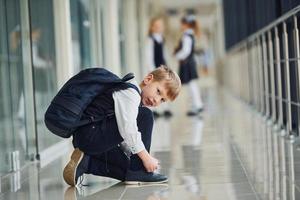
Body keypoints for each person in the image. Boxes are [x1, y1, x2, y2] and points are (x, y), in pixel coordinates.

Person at [63, 66, 181, 186]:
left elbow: (120, 134)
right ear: (148, 79)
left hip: (88, 138)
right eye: (158, 91)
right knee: (145, 116)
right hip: (89, 136)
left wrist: (131, 157)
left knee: (128, 170)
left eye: (162, 100)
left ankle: (87, 163)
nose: (156, 100)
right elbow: (128, 130)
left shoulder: (132, 96)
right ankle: (139, 171)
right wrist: (145, 158)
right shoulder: (130, 94)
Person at [174, 15, 204, 116]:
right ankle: (196, 106)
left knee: (191, 85)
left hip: (187, 63)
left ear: (186, 24)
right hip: (189, 62)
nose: (180, 26)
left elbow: (186, 51)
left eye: (182, 24)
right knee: (192, 85)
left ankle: (197, 106)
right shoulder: (190, 35)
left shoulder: (187, 36)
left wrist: (177, 56)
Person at [145, 17, 172, 118]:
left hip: (162, 67)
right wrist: (152, 70)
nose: (159, 28)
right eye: (156, 26)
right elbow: (149, 56)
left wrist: (167, 67)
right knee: (154, 90)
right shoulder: (150, 39)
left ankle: (165, 109)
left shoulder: (162, 39)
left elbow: (165, 55)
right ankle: (153, 110)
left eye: (160, 26)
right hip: (154, 68)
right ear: (152, 27)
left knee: (164, 89)